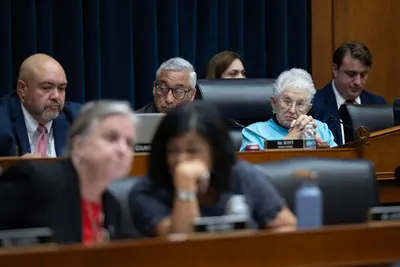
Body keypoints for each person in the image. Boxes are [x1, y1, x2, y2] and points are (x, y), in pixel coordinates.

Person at [130, 102, 296, 237]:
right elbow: (182, 250)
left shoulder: (240, 175)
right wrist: (185, 189)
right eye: (173, 151)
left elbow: (286, 226)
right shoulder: (147, 191)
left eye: (192, 151)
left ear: (215, 152)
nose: (180, 159)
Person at [0, 100, 138, 245]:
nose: (123, 150)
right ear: (79, 145)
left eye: (129, 143)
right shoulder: (36, 182)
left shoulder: (111, 205)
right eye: (111, 138)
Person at [0, 53, 82, 157]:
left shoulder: (78, 120)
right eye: (46, 88)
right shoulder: (3, 122)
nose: (56, 96)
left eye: (61, 88)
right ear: (22, 89)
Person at [240, 68, 337, 151]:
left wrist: (323, 150)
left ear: (308, 108)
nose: (292, 110)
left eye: (300, 104)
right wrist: (290, 139)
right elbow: (251, 169)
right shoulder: (254, 133)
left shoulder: (321, 129)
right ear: (274, 103)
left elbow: (337, 165)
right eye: (287, 102)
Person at [312, 41, 386, 145]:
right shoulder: (315, 105)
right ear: (335, 70)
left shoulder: (378, 105)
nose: (358, 82)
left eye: (363, 75)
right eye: (351, 74)